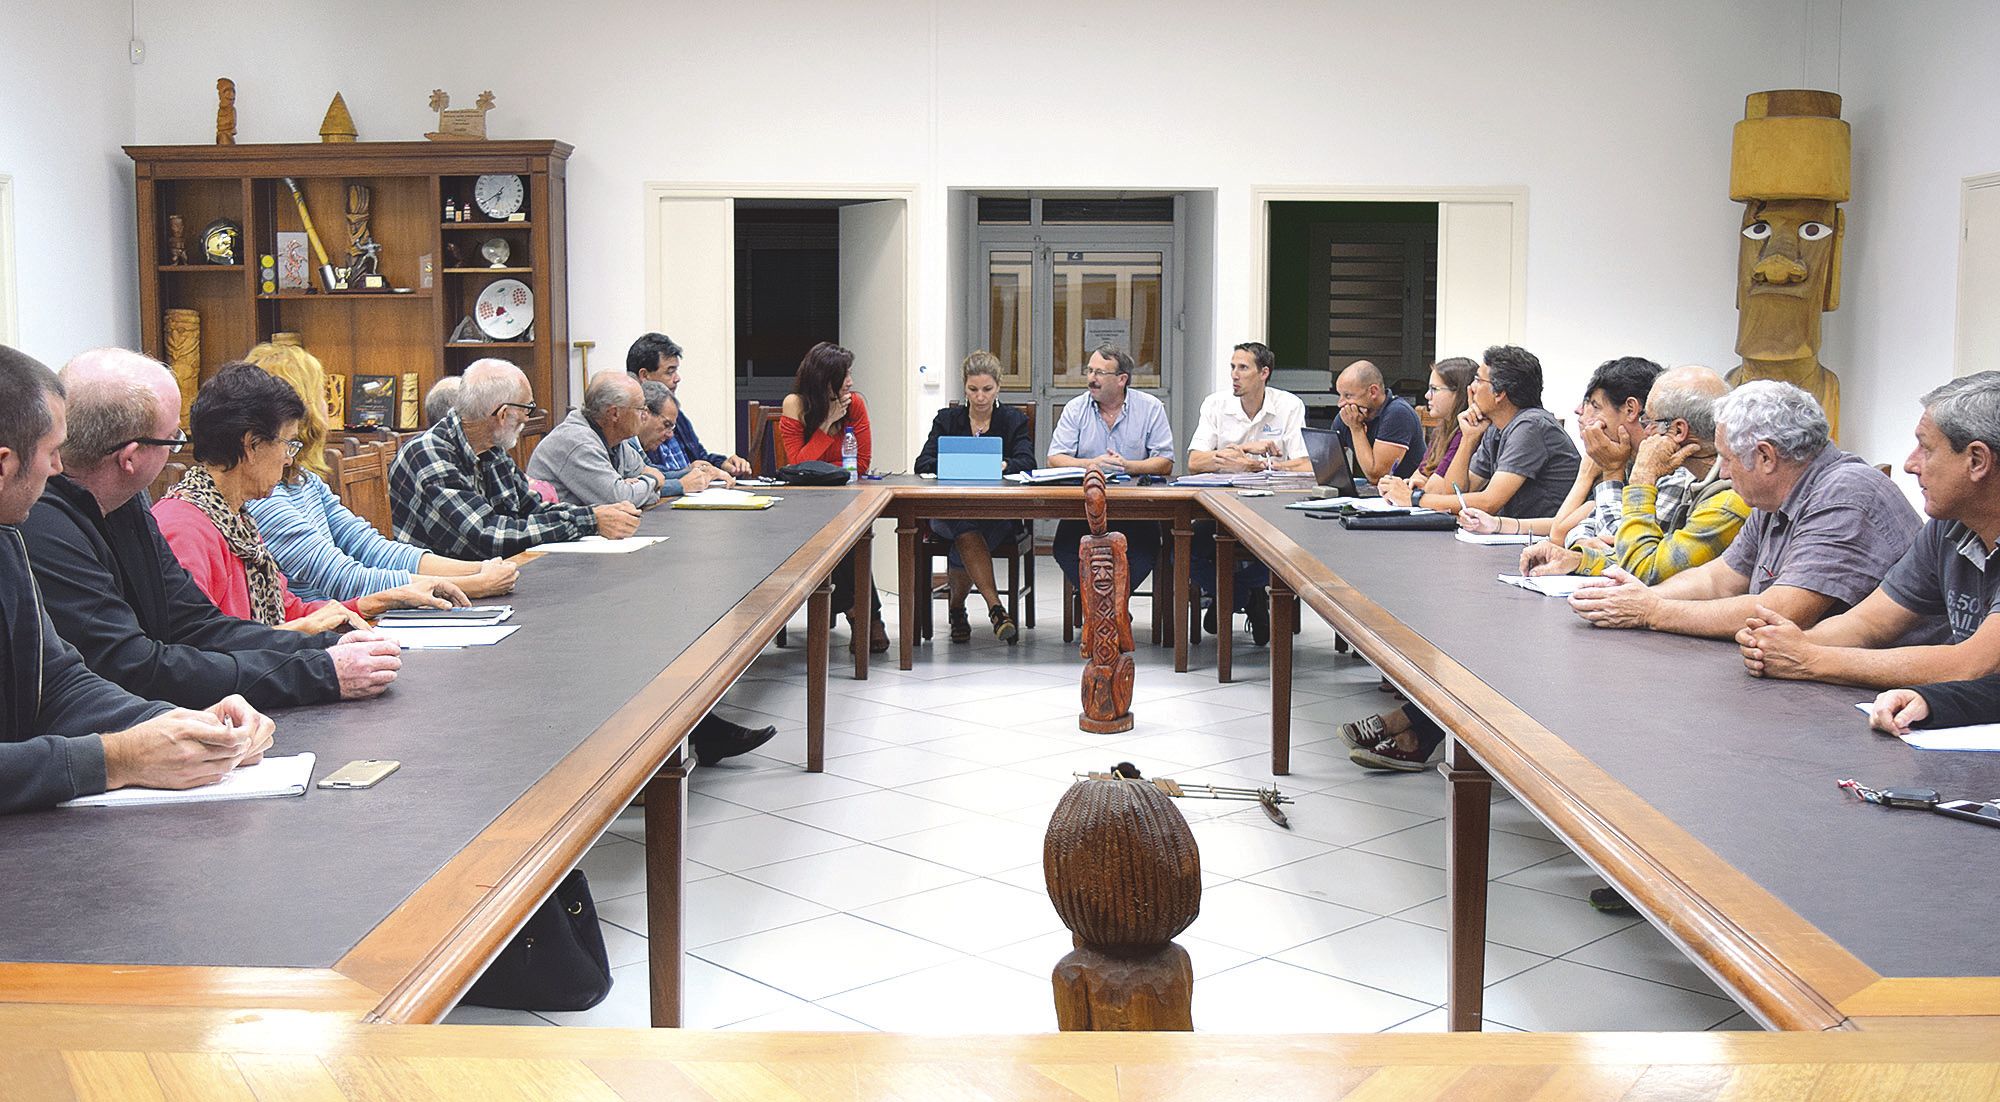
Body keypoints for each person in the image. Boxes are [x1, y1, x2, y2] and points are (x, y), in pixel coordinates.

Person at [20, 348, 404, 710]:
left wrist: (326, 647)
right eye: (174, 438)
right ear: (131, 458)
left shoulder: (125, 502)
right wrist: (320, 671)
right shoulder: (46, 528)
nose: (179, 449)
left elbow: (195, 624)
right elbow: (137, 667)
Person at [0, 344, 274, 813]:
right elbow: (128, 664)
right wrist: (116, 758)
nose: (58, 467)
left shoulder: (8, 538)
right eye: (50, 452)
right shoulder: (34, 527)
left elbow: (61, 683)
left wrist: (180, 723)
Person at [1567, 380, 1923, 639]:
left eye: (1729, 458)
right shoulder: (1776, 496)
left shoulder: (1846, 493)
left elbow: (1780, 610)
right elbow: (1718, 579)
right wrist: (1638, 598)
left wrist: (1651, 611)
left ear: (1766, 457)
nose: (1721, 471)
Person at [155, 364, 469, 632]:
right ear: (251, 446)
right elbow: (200, 648)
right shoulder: (185, 528)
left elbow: (289, 610)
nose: (289, 459)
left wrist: (382, 600)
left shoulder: (234, 518)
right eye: (288, 444)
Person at [1738, 372, 2000, 687]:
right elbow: (1868, 624)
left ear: (1977, 460)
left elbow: (1973, 665)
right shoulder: (1947, 528)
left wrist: (1809, 659)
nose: (1910, 464)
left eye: (1926, 449)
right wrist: (1785, 642)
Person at [240, 342, 517, 604]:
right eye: (322, 393)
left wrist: (478, 569)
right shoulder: (264, 496)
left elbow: (371, 547)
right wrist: (472, 585)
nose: (329, 403)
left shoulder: (306, 481)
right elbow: (343, 578)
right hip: (322, 633)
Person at [390, 358, 642, 559]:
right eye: (527, 408)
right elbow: (488, 536)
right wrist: (590, 521)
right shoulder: (429, 455)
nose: (526, 418)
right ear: (502, 414)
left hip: (491, 576)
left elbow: (530, 507)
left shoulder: (491, 450)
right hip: (442, 594)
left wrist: (597, 514)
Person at [1517, 366, 1748, 584]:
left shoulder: (1727, 497)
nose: (1645, 430)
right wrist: (1578, 559)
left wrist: (1640, 479)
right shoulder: (1696, 480)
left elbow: (1645, 569)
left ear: (1678, 430)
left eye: (1649, 421)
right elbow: (1644, 552)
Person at [1186, 341, 1310, 644]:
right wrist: (1236, 452)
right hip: (1221, 506)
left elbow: (1306, 464)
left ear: (1264, 373)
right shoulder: (1215, 404)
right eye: (1232, 367)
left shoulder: (1288, 406)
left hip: (1274, 507)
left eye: (1243, 368)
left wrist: (1259, 465)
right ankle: (1249, 596)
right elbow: (1193, 462)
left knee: (1284, 550)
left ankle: (1225, 597)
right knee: (1188, 549)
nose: (1234, 375)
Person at [1461, 357, 1662, 540]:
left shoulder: (1664, 470)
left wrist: (1602, 472)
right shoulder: (1622, 461)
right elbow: (1568, 529)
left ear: (1630, 409)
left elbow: (1565, 534)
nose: (1580, 411)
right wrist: (1497, 524)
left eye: (1594, 405)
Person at [912, 351, 1034, 643]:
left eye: (987, 390)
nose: (980, 397)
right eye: (973, 389)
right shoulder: (947, 419)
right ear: (964, 388)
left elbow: (1028, 462)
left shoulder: (1012, 419)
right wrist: (956, 465)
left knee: (966, 533)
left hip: (995, 513)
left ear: (999, 387)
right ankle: (996, 609)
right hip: (947, 511)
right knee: (963, 524)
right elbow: (923, 463)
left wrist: (1002, 465)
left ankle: (956, 609)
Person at [780, 341, 887, 653]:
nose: (851, 381)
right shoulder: (795, 404)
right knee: (833, 535)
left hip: (846, 497)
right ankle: (865, 616)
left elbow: (861, 464)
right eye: (845, 374)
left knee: (847, 534)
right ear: (824, 379)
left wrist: (824, 467)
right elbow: (798, 465)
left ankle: (863, 615)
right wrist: (826, 425)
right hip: (804, 504)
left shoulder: (856, 405)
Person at [1047, 345, 1175, 592]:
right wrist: (1091, 464)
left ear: (1121, 379)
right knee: (1064, 548)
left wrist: (1129, 465)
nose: (1091, 379)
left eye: (1100, 373)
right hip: (1084, 507)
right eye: (1090, 371)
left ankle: (1109, 608)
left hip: (1135, 508)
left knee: (1144, 551)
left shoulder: (1150, 408)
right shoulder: (1076, 408)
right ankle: (1106, 610)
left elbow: (1165, 462)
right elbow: (1055, 458)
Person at [1409, 346, 1580, 520]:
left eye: (1478, 380)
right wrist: (1468, 439)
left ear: (1499, 394)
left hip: (1543, 540)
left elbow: (1489, 503)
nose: (1471, 388)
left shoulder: (1531, 426)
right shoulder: (1494, 428)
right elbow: (1454, 493)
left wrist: (1416, 500)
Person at [526, 373, 665, 508]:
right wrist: (652, 481)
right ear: (614, 413)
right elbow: (620, 500)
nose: (645, 415)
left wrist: (636, 488)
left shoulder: (617, 440)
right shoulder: (578, 442)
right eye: (640, 408)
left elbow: (649, 493)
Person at [627, 332, 751, 478]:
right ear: (645, 376)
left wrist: (724, 464)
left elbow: (699, 456)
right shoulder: (631, 423)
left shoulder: (675, 414)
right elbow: (645, 473)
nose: (677, 378)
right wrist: (686, 474)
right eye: (670, 372)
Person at [1377, 357, 1476, 505]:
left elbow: (1442, 489)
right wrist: (1403, 486)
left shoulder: (1465, 432)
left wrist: (1415, 491)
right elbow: (1420, 475)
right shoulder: (1441, 430)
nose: (1427, 395)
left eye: (1434, 389)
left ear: (1460, 392)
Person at [1331, 359, 1424, 481]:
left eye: (1348, 396)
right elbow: (1328, 463)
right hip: (1371, 494)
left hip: (1406, 492)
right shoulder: (1350, 414)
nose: (1340, 403)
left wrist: (1356, 429)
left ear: (1373, 391)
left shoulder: (1398, 413)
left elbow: (1377, 476)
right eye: (1340, 395)